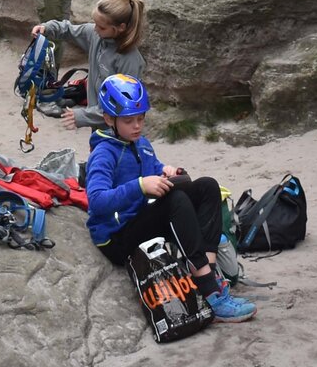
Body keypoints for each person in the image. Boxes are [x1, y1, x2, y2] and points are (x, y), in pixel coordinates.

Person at [84, 74, 257, 323]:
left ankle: (210, 279)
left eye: (141, 118)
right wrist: (141, 186)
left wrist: (166, 170)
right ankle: (210, 292)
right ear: (109, 119)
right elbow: (97, 201)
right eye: (129, 120)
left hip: (140, 221)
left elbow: (151, 167)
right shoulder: (103, 153)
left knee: (207, 186)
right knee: (176, 201)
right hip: (116, 237)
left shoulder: (141, 144)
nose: (137, 125)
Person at [30, 0, 147, 131]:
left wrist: (82, 116)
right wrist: (48, 28)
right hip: (98, 125)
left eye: (101, 27)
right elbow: (69, 30)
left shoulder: (129, 60)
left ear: (121, 28)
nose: (95, 29)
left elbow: (121, 106)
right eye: (95, 23)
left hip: (121, 132)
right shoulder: (96, 35)